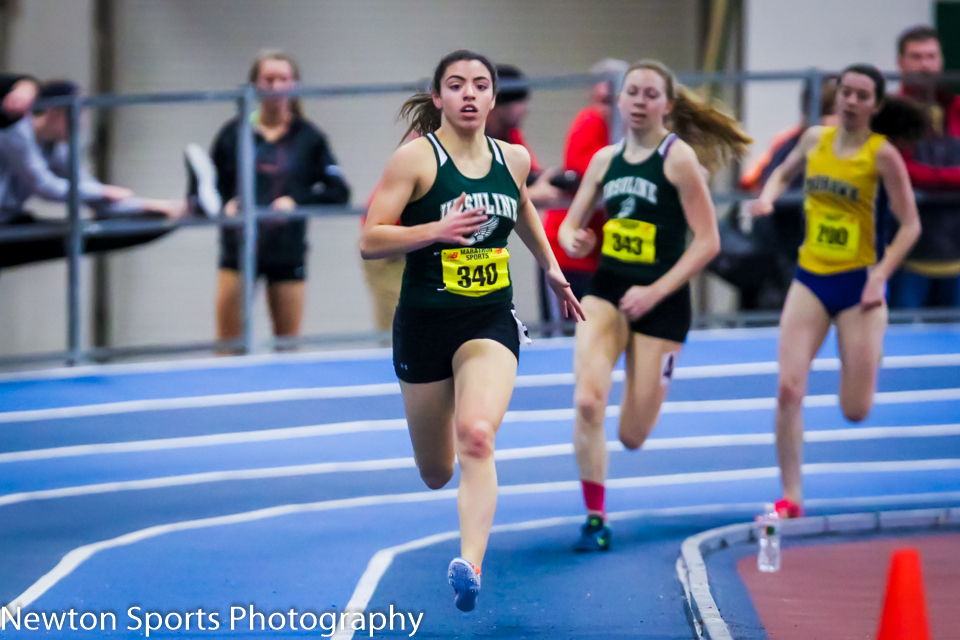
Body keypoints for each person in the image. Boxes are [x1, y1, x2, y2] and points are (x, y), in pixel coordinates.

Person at [360, 50, 583, 611]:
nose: (468, 94)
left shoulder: (513, 157)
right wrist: (436, 228)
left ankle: (471, 563)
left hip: (488, 319)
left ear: (492, 97)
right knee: (436, 472)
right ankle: (455, 478)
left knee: (478, 434)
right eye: (455, 85)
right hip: (425, 323)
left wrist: (552, 269)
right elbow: (371, 238)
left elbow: (523, 208)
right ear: (438, 98)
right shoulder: (415, 160)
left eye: (479, 85)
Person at [558, 59, 748, 551]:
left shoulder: (678, 159)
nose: (639, 102)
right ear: (618, 100)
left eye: (650, 94)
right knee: (586, 400)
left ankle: (645, 374)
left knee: (634, 435)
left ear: (666, 104)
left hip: (662, 303)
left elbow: (707, 242)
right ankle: (595, 517)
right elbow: (567, 222)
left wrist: (656, 291)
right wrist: (573, 238)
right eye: (632, 93)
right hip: (606, 291)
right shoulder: (604, 160)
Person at [750, 64, 922, 518]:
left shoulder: (881, 155)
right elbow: (780, 173)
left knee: (855, 410)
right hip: (810, 278)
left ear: (875, 105)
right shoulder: (813, 140)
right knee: (788, 389)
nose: (850, 101)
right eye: (845, 92)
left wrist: (880, 275)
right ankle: (792, 496)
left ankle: (869, 347)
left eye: (861, 95)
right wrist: (767, 198)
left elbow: (910, 225)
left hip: (858, 285)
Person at [206, 49, 350, 351]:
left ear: (295, 85)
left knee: (287, 347)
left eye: (283, 79)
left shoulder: (309, 138)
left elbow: (339, 192)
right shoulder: (233, 135)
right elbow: (207, 188)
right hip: (238, 251)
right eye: (268, 79)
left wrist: (296, 202)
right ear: (255, 86)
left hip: (287, 253)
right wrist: (225, 205)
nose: (276, 86)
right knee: (227, 346)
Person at [0, 80, 185, 269]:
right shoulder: (17, 134)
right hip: (5, 226)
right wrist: (103, 191)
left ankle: (180, 215)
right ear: (53, 113)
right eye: (74, 117)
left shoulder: (58, 149)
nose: (80, 125)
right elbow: (44, 186)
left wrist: (151, 206)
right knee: (72, 235)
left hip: (11, 220)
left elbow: (90, 192)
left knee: (107, 231)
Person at [731, 75, 840, 310]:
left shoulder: (871, 151)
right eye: (829, 112)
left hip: (842, 259)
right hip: (788, 254)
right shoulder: (795, 142)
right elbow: (777, 177)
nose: (835, 120)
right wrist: (767, 200)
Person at [541, 59, 627, 335]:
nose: (608, 108)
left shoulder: (629, 133)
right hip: (568, 254)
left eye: (614, 100)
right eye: (603, 100)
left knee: (600, 335)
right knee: (567, 336)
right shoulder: (589, 123)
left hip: (601, 256)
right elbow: (594, 179)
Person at [887, 26, 960, 308]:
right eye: (916, 57)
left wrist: (928, 179)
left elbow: (914, 174)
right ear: (901, 62)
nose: (925, 65)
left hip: (955, 257)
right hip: (906, 260)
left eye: (931, 56)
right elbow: (900, 171)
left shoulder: (956, 108)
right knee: (901, 345)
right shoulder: (890, 111)